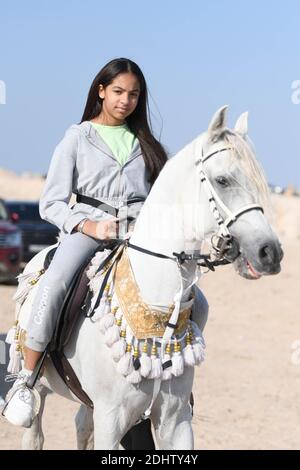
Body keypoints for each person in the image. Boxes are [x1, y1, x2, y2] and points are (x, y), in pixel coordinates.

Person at [4, 58, 168, 435]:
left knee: (188, 294)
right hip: (88, 230)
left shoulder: (148, 144)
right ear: (101, 91)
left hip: (137, 234)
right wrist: (88, 224)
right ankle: (26, 379)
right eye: (118, 92)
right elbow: (51, 202)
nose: (125, 100)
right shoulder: (77, 137)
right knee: (55, 281)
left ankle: (175, 384)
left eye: (133, 94)